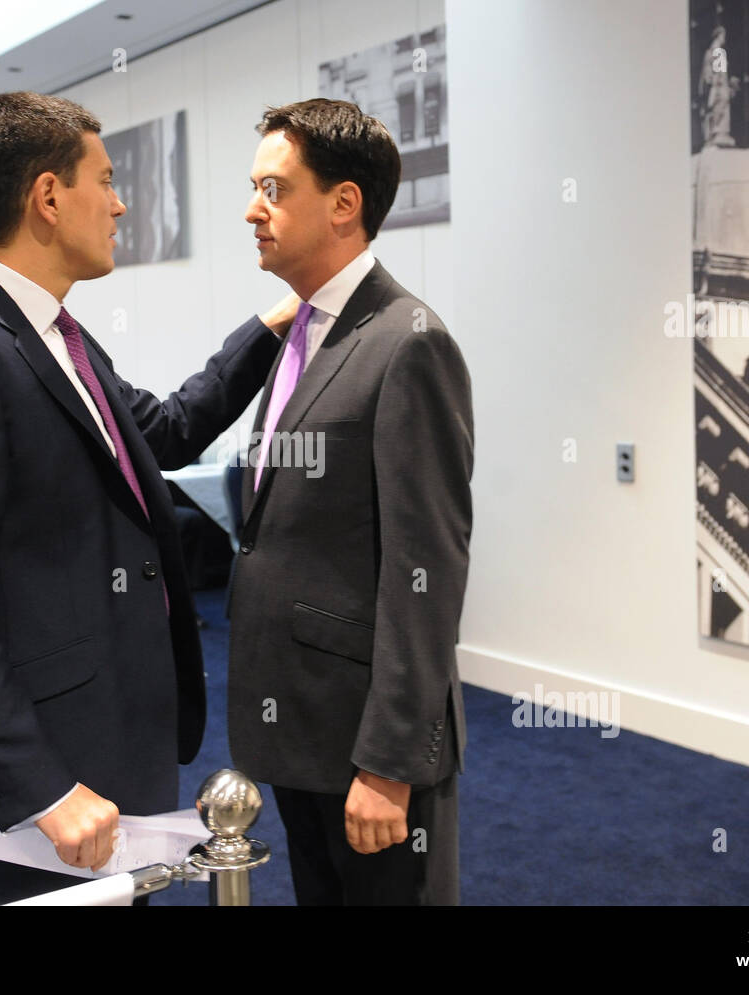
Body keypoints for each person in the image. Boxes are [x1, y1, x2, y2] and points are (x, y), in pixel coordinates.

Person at [0, 91, 296, 905]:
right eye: (104, 180)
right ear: (46, 196)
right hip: (53, 769)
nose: (120, 201)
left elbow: (167, 430)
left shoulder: (56, 335)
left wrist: (280, 321)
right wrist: (38, 786)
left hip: (112, 735)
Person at [227, 99, 475, 905]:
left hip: (367, 750)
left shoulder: (409, 343)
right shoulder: (303, 333)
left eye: (274, 187)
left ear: (344, 203)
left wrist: (390, 763)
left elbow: (426, 567)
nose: (252, 209)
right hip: (302, 730)